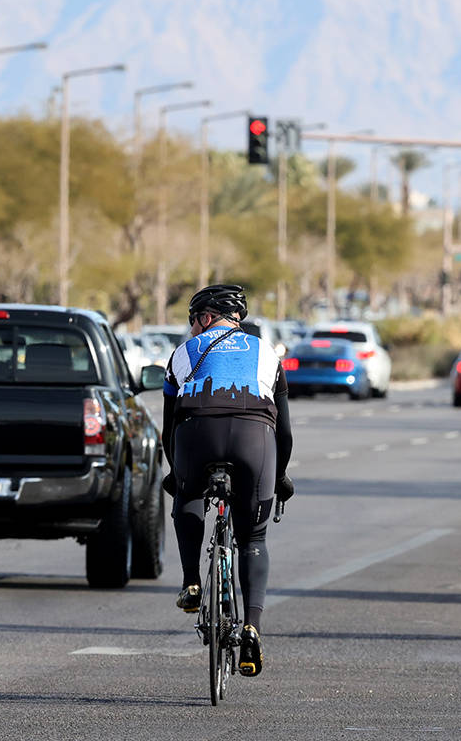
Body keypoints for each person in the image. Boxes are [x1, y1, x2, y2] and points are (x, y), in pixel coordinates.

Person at [161, 283, 294, 677]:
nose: (191, 331)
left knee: (186, 493)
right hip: (255, 439)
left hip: (196, 436)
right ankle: (251, 625)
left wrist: (178, 476)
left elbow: (169, 428)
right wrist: (280, 476)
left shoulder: (184, 352)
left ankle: (190, 583)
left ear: (204, 318)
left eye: (192, 323)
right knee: (253, 538)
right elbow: (284, 431)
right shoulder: (267, 352)